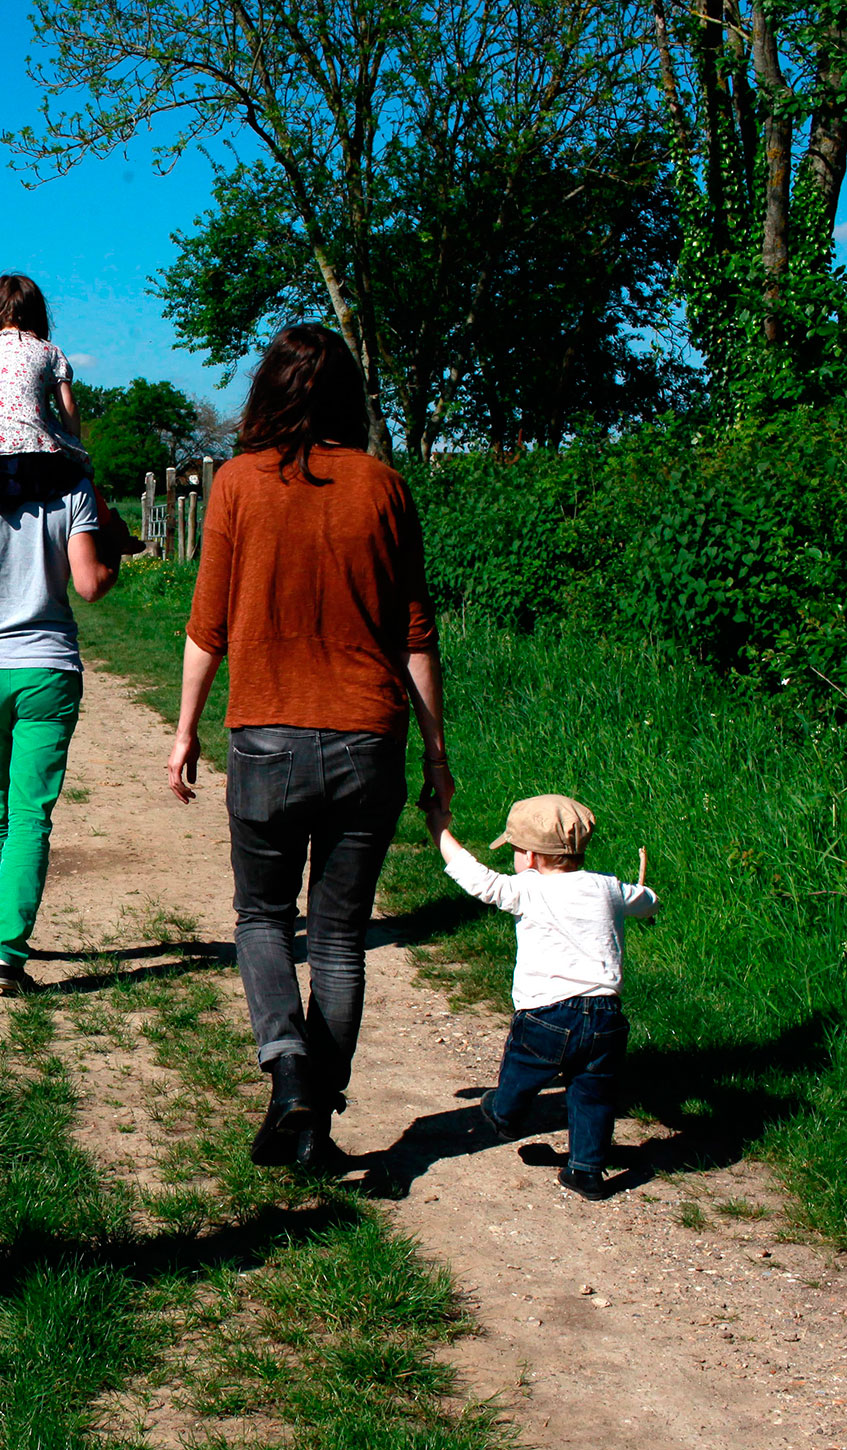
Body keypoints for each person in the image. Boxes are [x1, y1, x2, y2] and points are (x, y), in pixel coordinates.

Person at [167, 323, 451, 1175]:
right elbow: (416, 633)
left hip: (266, 739)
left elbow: (207, 624)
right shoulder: (385, 487)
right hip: (369, 737)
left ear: (267, 393)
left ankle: (290, 1071)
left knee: (261, 917)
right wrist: (436, 753)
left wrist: (185, 730)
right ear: (345, 400)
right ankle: (311, 1116)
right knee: (338, 939)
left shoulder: (236, 485)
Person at [0, 280, 143, 992]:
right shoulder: (70, 488)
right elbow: (89, 585)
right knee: (32, 815)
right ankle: (6, 947)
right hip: (48, 670)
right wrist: (114, 559)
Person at [431, 794, 658, 1199]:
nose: (515, 859)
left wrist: (440, 830)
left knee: (522, 1070)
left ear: (532, 856)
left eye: (515, 850)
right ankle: (587, 1171)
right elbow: (645, 902)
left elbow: (476, 878)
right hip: (606, 1016)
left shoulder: (527, 889)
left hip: (546, 1016)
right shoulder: (608, 887)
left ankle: (505, 1114)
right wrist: (647, 899)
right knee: (593, 1093)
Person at [0, 273, 91, 516]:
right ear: (37, 313)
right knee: (84, 480)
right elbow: (69, 408)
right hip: (36, 454)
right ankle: (110, 532)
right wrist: (74, 442)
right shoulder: (50, 352)